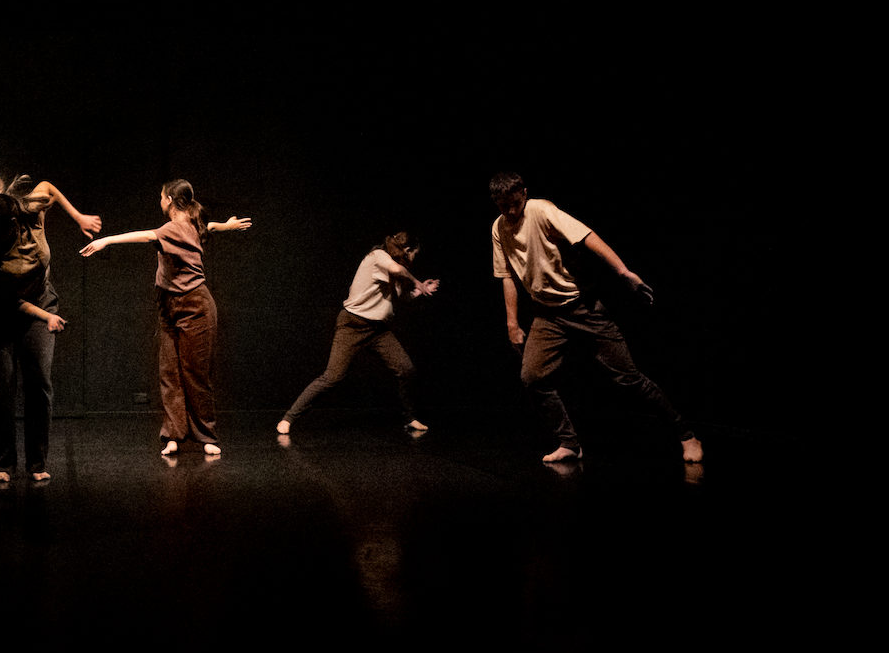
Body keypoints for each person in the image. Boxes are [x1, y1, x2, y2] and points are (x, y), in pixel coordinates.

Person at [489, 171, 703, 464]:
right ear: (496, 202)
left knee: (628, 379)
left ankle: (685, 434)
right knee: (532, 377)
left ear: (524, 193)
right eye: (504, 206)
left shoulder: (541, 210)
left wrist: (624, 272)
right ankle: (569, 443)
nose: (511, 211)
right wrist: (512, 323)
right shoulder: (498, 228)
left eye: (515, 203)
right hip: (547, 315)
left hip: (584, 308)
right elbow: (506, 277)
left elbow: (587, 236)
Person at [80, 180, 251, 456]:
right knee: (169, 372)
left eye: (161, 196)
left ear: (170, 199)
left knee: (195, 374)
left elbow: (146, 236)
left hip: (195, 306)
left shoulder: (172, 228)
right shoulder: (193, 219)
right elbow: (211, 226)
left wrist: (106, 240)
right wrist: (228, 226)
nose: (159, 200)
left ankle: (206, 435)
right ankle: (173, 434)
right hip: (169, 305)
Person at [0, 176, 101, 482]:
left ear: (15, 222)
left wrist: (79, 218)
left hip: (41, 304)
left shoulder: (31, 213)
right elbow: (10, 302)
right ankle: (1, 463)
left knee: (39, 385)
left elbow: (48, 186)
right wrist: (45, 318)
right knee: (1, 388)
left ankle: (37, 461)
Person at [277, 231, 439, 436]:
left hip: (378, 331)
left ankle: (410, 418)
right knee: (332, 377)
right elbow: (396, 269)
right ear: (407, 250)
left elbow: (403, 297)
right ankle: (288, 418)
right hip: (352, 325)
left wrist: (421, 290)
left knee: (406, 369)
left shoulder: (398, 271)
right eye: (414, 253)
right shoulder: (379, 256)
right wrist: (417, 281)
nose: (415, 258)